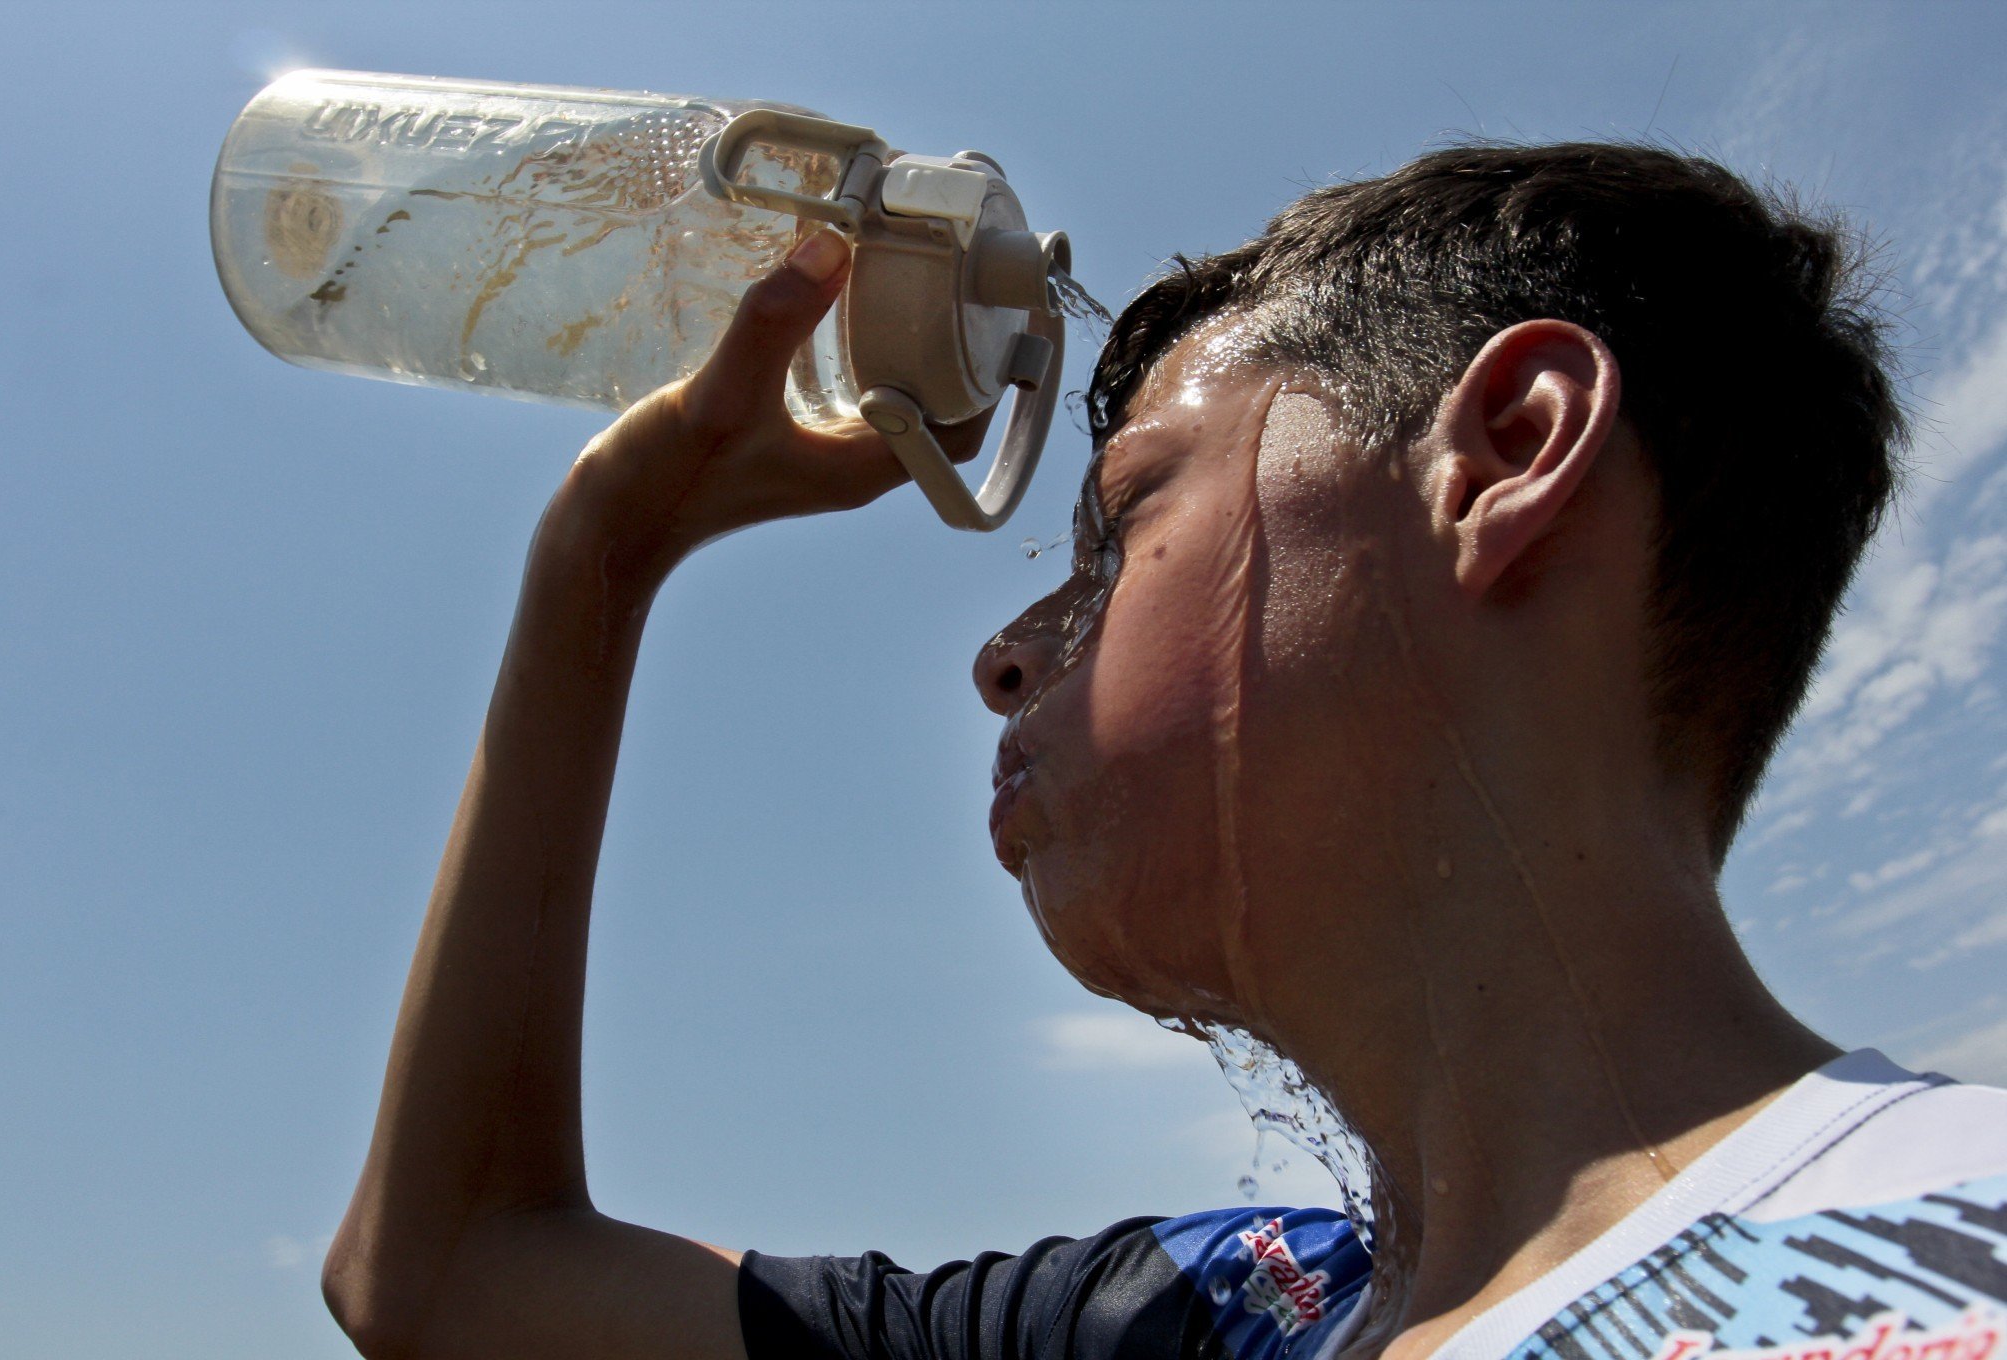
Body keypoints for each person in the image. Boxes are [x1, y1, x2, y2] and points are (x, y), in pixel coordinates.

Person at [320, 143, 2007, 1360]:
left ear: (1504, 456)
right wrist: (603, 560)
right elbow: (449, 1276)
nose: (1004, 654)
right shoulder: (1217, 1313)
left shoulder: (1947, 1262)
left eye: (1124, 522)